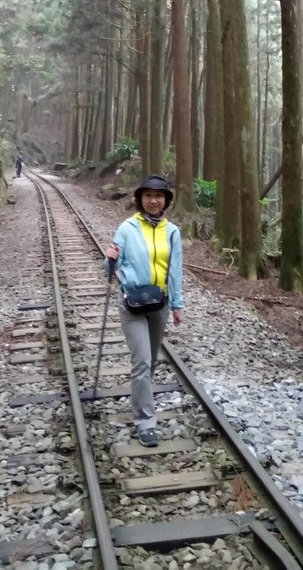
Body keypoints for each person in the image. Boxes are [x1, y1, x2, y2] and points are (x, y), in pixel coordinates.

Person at [104, 173, 184, 448]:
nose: (153, 200)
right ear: (140, 199)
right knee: (141, 361)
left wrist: (177, 305)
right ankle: (145, 421)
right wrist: (110, 258)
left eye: (158, 196)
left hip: (159, 304)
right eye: (148, 195)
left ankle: (141, 399)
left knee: (150, 363)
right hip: (133, 304)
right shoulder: (127, 228)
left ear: (165, 201)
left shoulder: (172, 232)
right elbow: (110, 268)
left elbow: (175, 271)